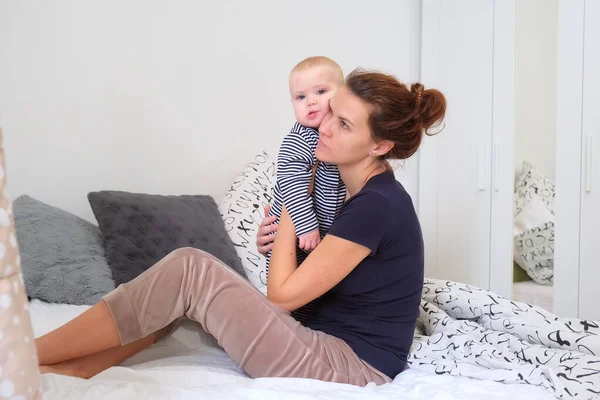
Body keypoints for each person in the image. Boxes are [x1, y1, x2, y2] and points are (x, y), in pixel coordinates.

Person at [35, 68, 446, 386]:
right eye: (331, 112)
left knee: (190, 269)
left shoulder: (377, 205)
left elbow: (282, 297)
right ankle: (67, 369)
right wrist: (286, 238)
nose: (322, 126)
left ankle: (25, 353)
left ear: (380, 146)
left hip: (350, 367)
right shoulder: (346, 193)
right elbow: (315, 284)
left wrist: (291, 199)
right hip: (320, 341)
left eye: (344, 124)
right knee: (179, 288)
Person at [266, 56, 346, 271]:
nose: (310, 101)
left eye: (321, 92)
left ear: (344, 94)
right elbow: (292, 186)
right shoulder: (299, 140)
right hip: (298, 236)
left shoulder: (342, 138)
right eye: (300, 97)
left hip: (323, 240)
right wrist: (306, 227)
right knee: (297, 294)